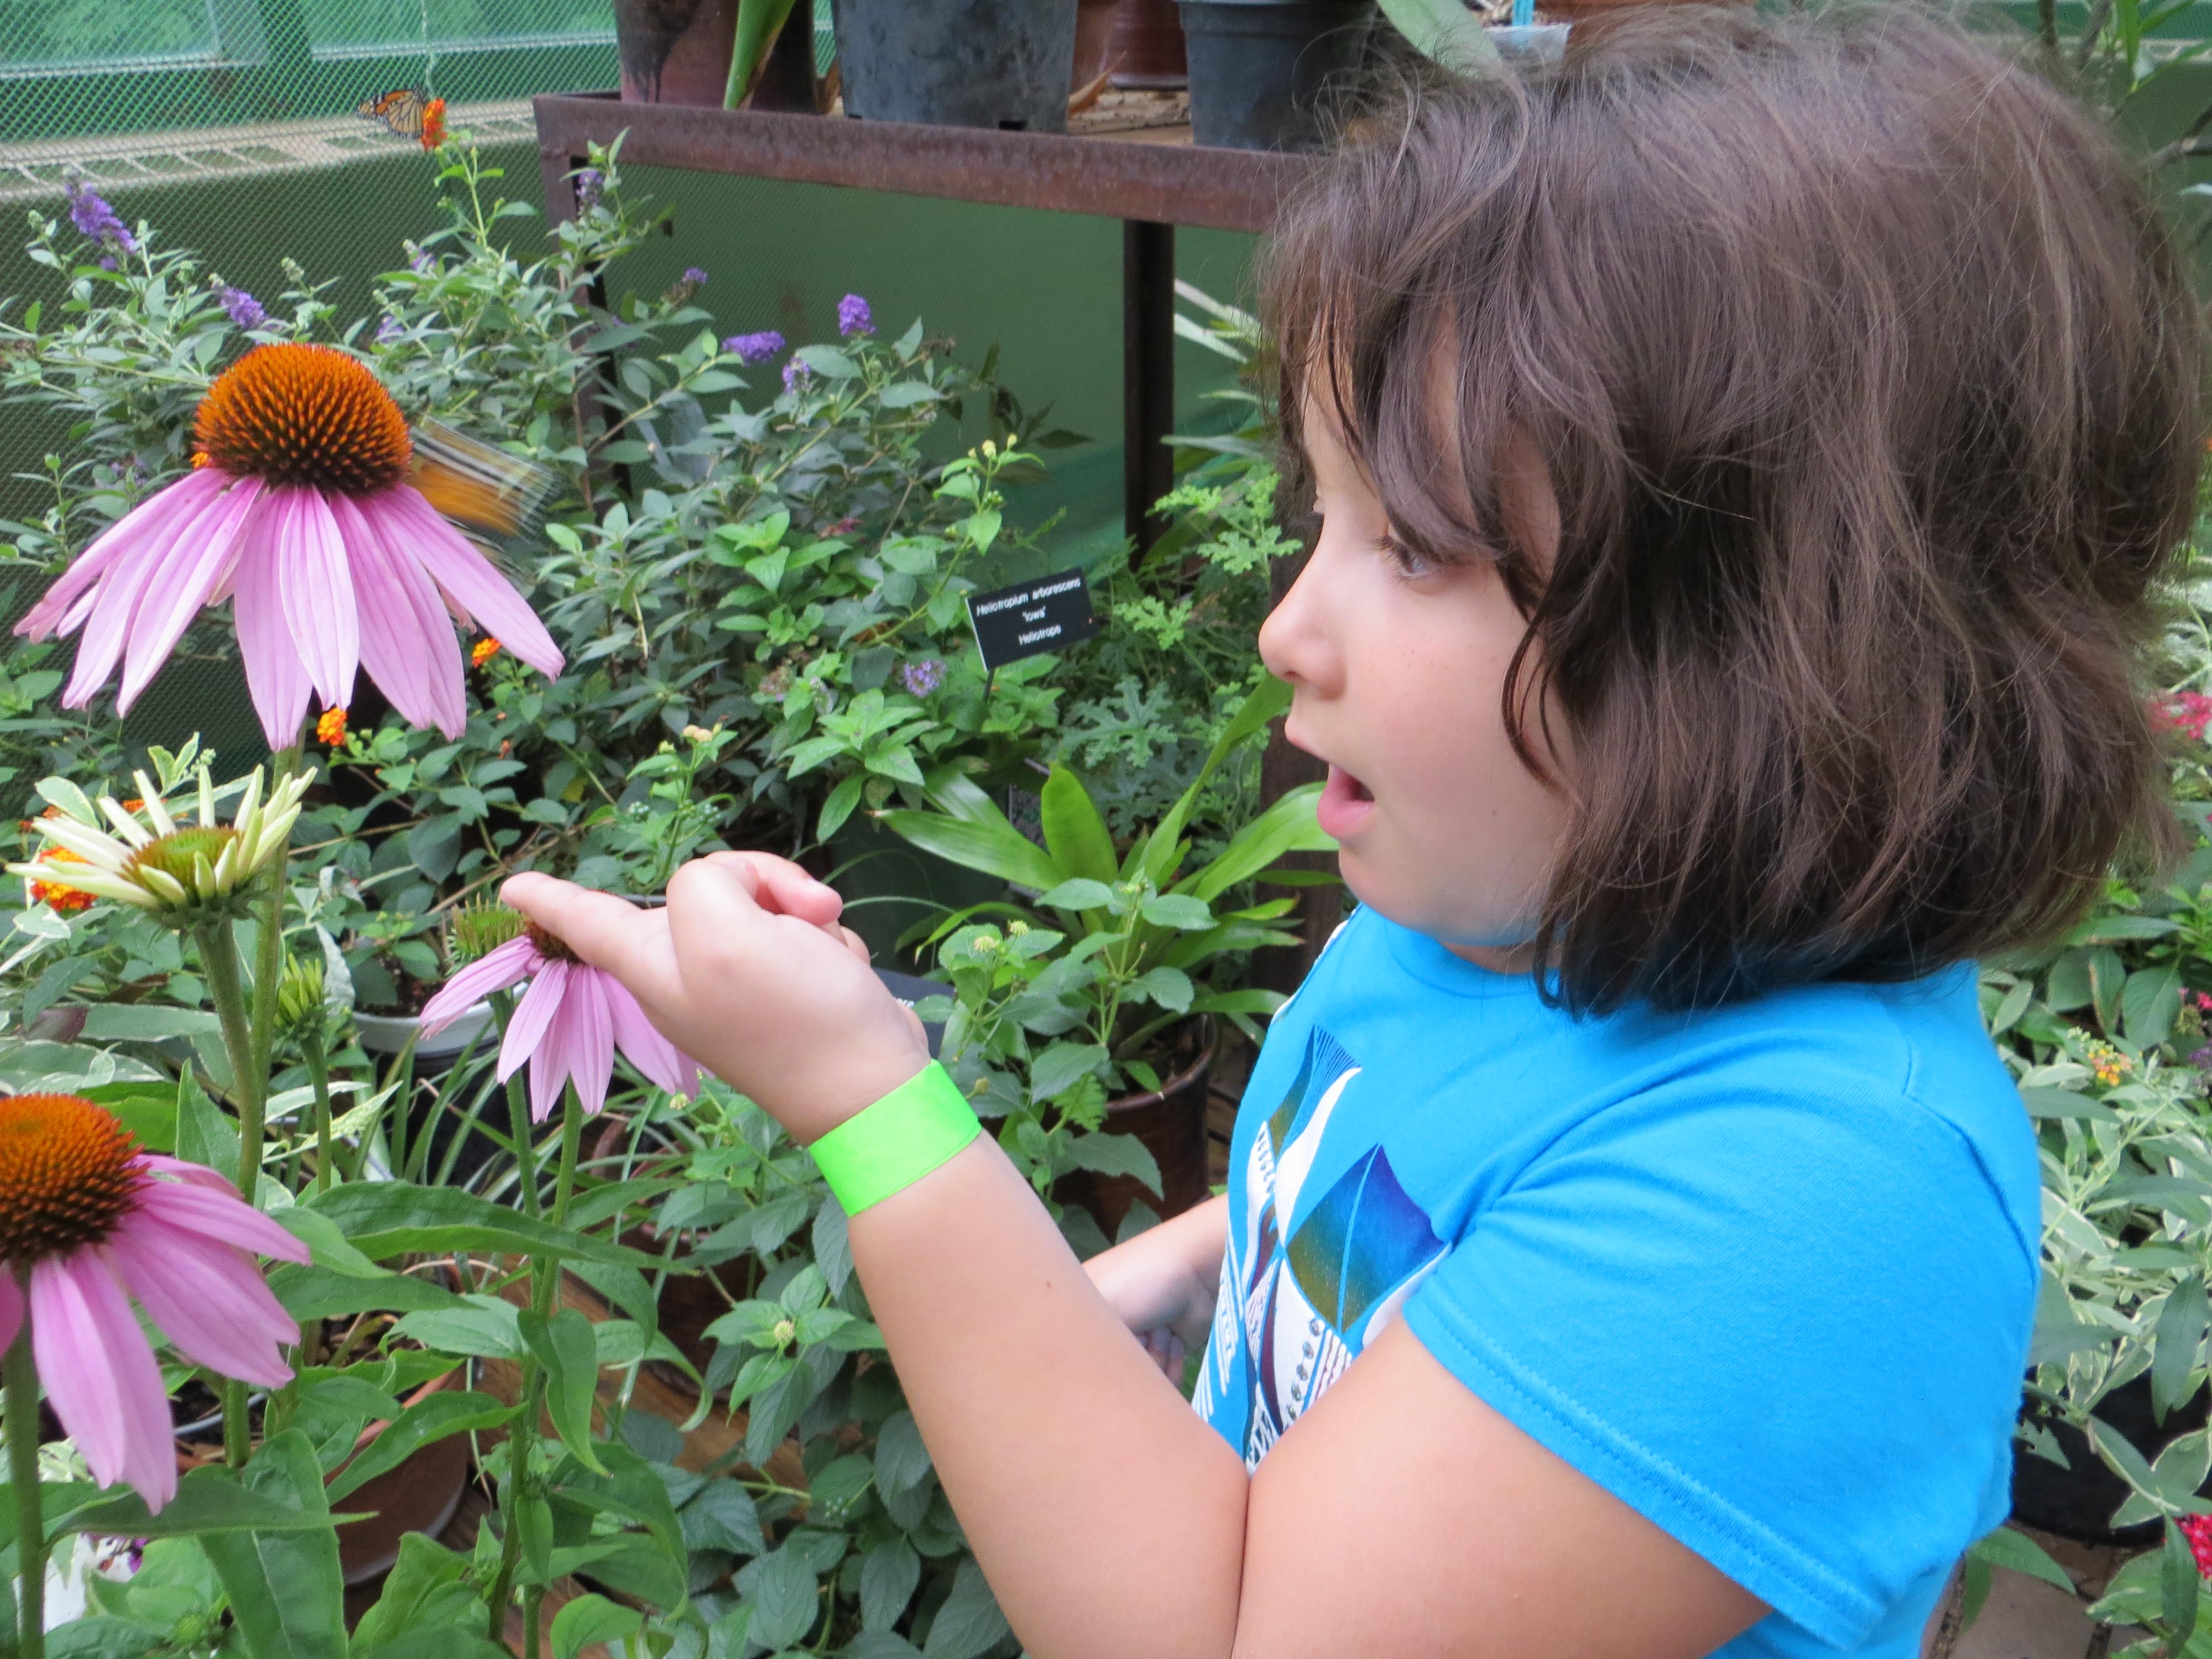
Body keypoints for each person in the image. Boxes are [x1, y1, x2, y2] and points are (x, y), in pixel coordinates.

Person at [502, 7, 2205, 1655]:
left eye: (1414, 547)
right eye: (1325, 513)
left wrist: (873, 1107)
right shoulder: (1494, 924)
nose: (1286, 632)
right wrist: (1162, 1275)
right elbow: (1369, 1211)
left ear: (1780, 645)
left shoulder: (1802, 1196)